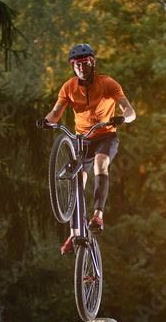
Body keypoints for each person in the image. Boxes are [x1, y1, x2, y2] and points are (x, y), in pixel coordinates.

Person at [36, 43, 136, 254]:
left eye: (85, 63)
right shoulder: (68, 87)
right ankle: (74, 234)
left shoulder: (107, 83)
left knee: (101, 162)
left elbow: (130, 110)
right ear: (72, 66)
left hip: (105, 136)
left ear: (93, 63)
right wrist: (45, 121)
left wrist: (122, 118)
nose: (81, 67)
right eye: (77, 64)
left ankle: (98, 215)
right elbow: (55, 113)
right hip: (81, 139)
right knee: (76, 181)